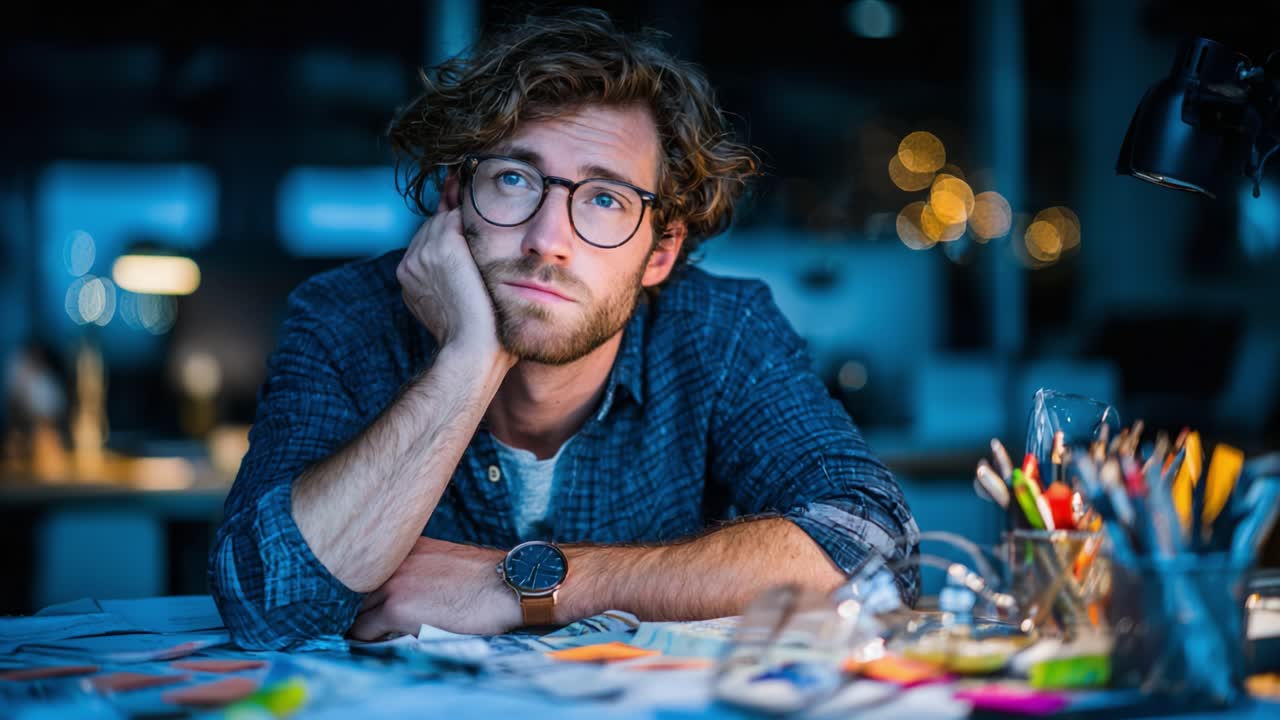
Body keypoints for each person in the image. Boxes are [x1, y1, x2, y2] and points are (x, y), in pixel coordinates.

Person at [210, 8, 919, 650]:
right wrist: (468, 359)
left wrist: (516, 586)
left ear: (660, 252)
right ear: (455, 200)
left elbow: (876, 550)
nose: (549, 239)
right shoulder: (346, 319)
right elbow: (266, 604)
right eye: (515, 179)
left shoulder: (720, 331)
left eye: (606, 199)